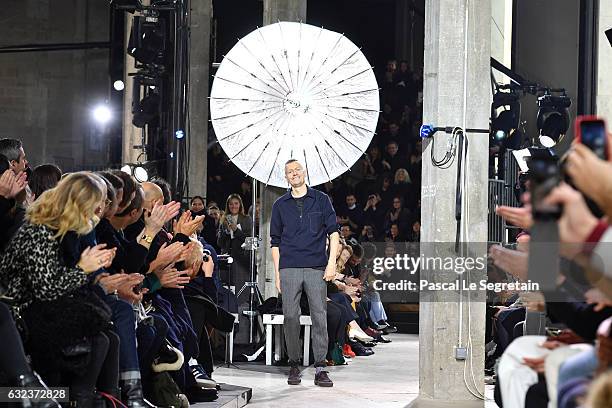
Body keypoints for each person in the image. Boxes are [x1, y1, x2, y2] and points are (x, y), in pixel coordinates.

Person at [270, 159, 340, 387]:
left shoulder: (321, 200)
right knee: (290, 315)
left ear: (305, 172)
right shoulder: (280, 204)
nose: (294, 174)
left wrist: (332, 264)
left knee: (320, 315)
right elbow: (275, 243)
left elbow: (334, 233)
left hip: (316, 266)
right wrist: (278, 274)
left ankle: (320, 366)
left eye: (297, 170)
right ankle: (293, 363)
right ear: (286, 177)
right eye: (289, 172)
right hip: (289, 267)